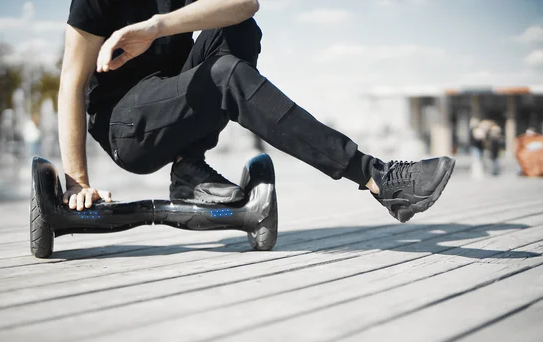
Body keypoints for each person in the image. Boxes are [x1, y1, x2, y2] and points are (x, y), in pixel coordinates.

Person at [59, 0, 455, 223]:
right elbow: (71, 85)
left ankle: (188, 169)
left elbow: (245, 3)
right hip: (126, 128)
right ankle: (376, 176)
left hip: (171, 97)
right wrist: (77, 181)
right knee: (224, 75)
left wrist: (157, 27)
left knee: (239, 29)